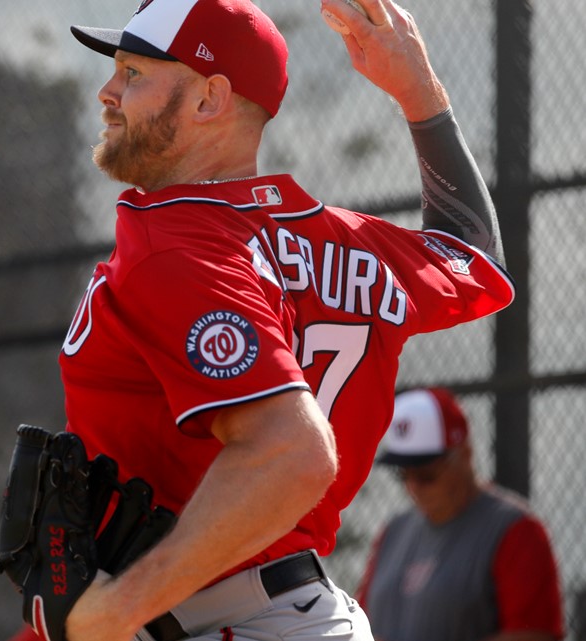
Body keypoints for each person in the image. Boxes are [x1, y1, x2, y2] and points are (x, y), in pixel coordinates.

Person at [33, 0, 517, 639]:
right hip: (294, 612)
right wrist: (420, 94)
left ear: (210, 99)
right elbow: (474, 255)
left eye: (134, 74)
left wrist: (120, 610)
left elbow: (292, 454)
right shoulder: (341, 240)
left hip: (226, 619)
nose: (108, 91)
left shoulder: (178, 242)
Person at [356, 388, 564, 641]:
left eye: (426, 475)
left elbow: (534, 635)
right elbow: (361, 624)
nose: (413, 487)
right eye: (404, 474)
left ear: (465, 454)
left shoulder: (515, 530)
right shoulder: (393, 532)